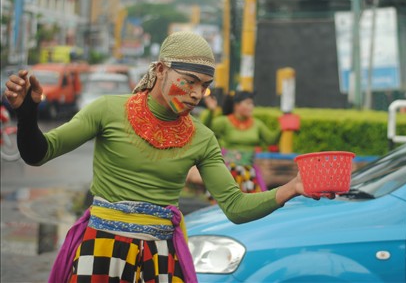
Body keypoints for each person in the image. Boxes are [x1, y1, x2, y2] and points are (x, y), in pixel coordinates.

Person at [3, 31, 333, 283]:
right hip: (100, 248)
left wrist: (292, 188)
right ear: (161, 70)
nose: (194, 94)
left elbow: (234, 206)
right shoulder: (107, 110)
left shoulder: (202, 137)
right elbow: (38, 154)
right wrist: (27, 111)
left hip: (160, 258)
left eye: (203, 86)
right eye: (188, 81)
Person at [188, 90, 287, 197]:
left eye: (252, 104)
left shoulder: (257, 124)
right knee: (224, 201)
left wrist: (282, 127)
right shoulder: (225, 122)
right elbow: (205, 129)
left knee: (252, 201)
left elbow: (270, 140)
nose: (251, 107)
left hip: (249, 172)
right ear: (237, 105)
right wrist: (211, 111)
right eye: (248, 103)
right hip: (229, 171)